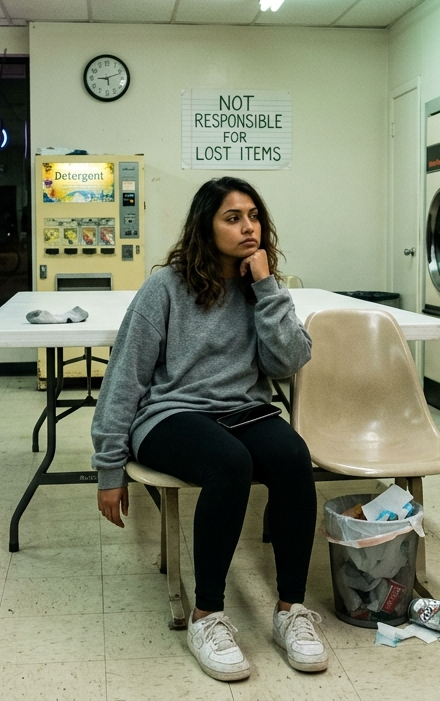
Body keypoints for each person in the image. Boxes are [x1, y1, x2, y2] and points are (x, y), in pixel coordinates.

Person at [91, 177, 327, 682]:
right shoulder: (166, 288)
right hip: (171, 414)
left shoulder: (263, 287)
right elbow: (125, 374)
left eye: (254, 217)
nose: (248, 228)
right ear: (206, 225)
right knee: (230, 464)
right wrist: (109, 466)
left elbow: (288, 361)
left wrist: (266, 288)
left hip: (244, 409)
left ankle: (291, 611)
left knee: (292, 457)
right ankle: (207, 616)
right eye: (232, 218)